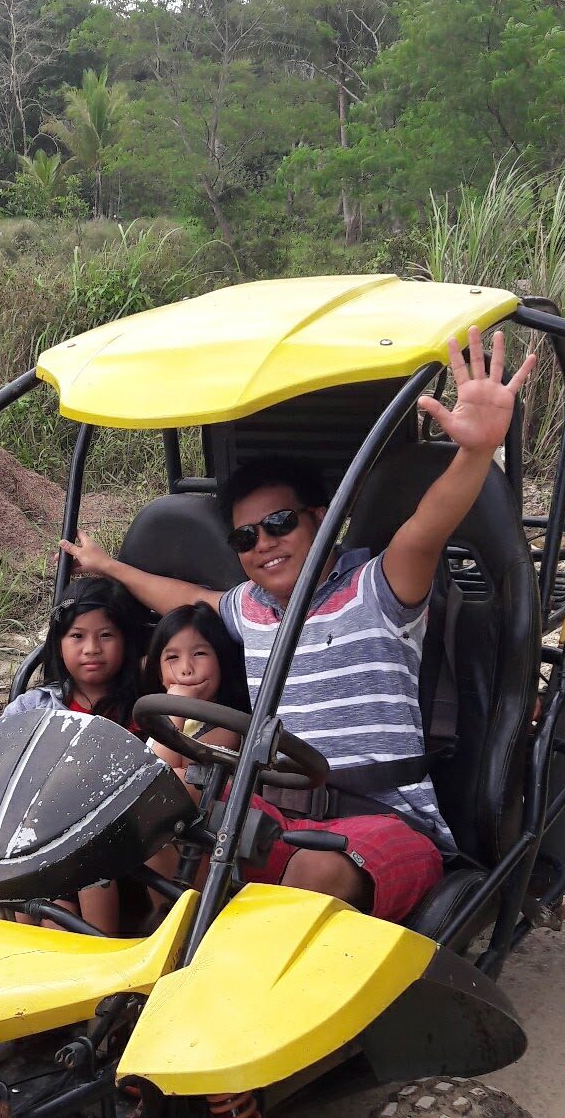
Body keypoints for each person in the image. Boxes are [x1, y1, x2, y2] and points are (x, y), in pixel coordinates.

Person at [60, 327, 535, 924]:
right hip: (267, 812)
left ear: (318, 518)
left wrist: (475, 452)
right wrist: (107, 566)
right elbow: (186, 595)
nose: (263, 544)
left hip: (382, 817)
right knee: (151, 807)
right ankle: (154, 953)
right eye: (244, 536)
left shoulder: (378, 588)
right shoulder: (247, 608)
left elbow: (426, 528)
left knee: (311, 872)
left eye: (280, 523)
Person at [0, 575, 146, 933]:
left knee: (82, 873)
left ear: (126, 641)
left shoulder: (141, 712)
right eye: (77, 636)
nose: (91, 648)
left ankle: (101, 961)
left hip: (109, 842)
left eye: (106, 635)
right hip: (34, 836)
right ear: (59, 644)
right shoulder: (37, 705)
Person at [140, 601, 248, 777]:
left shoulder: (228, 729)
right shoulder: (154, 719)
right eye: (173, 657)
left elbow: (163, 779)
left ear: (222, 662)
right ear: (160, 674)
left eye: (199, 654)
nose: (186, 668)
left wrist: (175, 708)